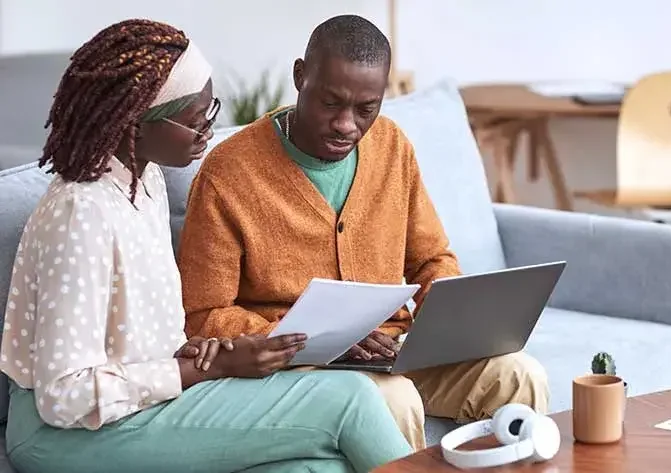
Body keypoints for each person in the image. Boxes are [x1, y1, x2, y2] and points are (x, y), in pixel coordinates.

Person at [0, 19, 412, 473]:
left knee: (319, 468)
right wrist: (207, 370)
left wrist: (215, 352)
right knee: (350, 400)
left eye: (211, 113)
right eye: (197, 122)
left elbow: (137, 340)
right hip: (62, 434)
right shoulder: (80, 215)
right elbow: (64, 396)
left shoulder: (145, 181)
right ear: (135, 124)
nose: (208, 133)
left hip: (140, 403)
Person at [176, 14, 550, 452]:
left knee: (520, 374)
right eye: (330, 103)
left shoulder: (392, 147)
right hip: (302, 366)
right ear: (301, 76)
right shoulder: (228, 172)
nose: (346, 124)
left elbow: (432, 259)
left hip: (397, 349)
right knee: (394, 399)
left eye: (366, 109)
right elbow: (202, 314)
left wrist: (448, 318)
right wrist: (318, 337)